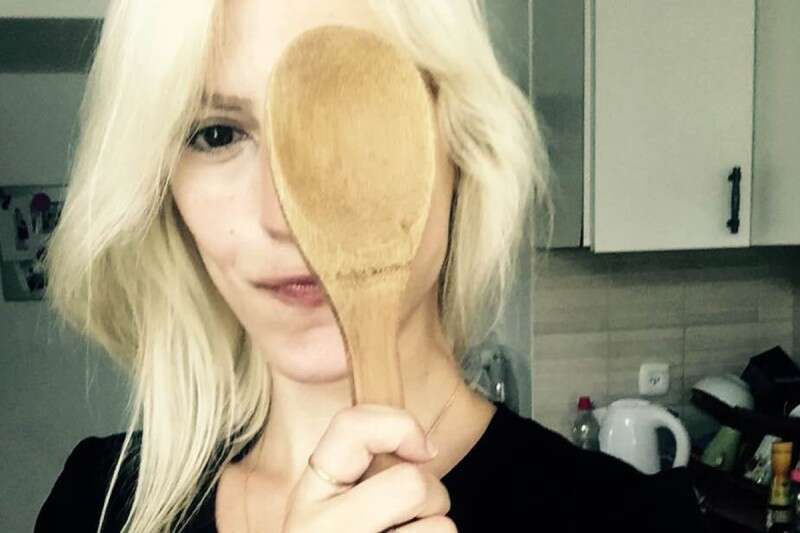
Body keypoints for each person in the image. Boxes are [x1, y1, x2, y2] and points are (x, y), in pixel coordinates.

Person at [34, 0, 707, 532]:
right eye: (217, 134)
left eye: (349, 120)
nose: (284, 214)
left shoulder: (629, 520)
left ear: (461, 141)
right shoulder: (95, 506)